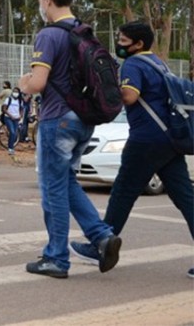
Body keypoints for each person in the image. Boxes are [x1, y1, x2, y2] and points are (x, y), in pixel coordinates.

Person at [70, 21, 194, 278]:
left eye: (123, 40)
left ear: (138, 44)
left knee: (123, 192)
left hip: (146, 140)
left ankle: (100, 245)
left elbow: (129, 96)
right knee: (186, 198)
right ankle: (101, 243)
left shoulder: (134, 64)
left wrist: (104, 83)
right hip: (169, 139)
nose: (119, 44)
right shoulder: (158, 63)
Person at [18, 0, 120, 279]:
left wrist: (24, 83)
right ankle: (101, 237)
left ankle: (57, 258)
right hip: (82, 120)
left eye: (40, 1)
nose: (40, 6)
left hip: (57, 120)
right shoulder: (84, 32)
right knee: (66, 182)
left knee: (52, 189)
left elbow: (38, 82)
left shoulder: (49, 35)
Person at [2, 87, 25, 156]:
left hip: (16, 118)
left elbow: (21, 109)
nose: (15, 93)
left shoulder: (20, 101)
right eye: (14, 91)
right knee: (12, 132)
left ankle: (10, 146)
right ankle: (10, 148)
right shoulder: (8, 99)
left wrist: (21, 116)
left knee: (14, 134)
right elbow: (4, 109)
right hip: (8, 118)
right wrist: (11, 115)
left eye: (17, 92)